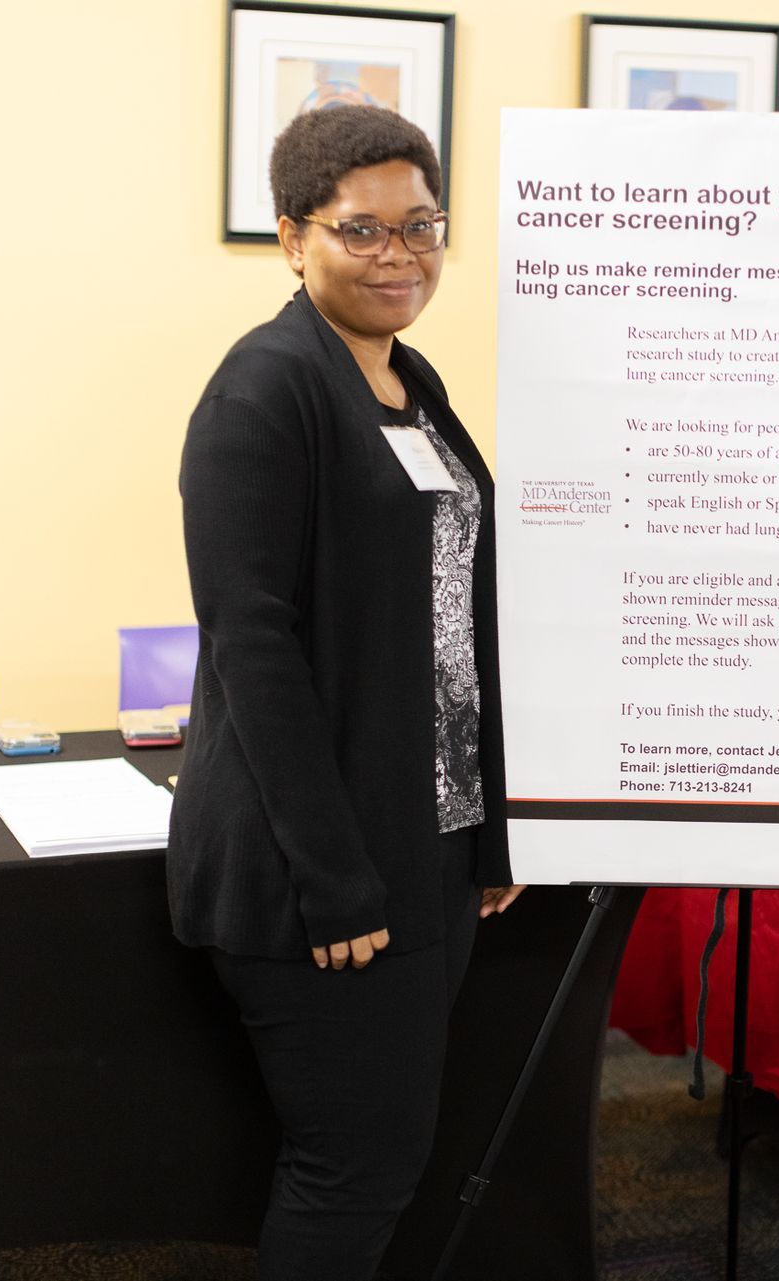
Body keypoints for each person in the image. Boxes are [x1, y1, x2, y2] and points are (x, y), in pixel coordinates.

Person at [168, 105, 524, 1280]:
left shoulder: (411, 383)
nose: (399, 256)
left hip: (426, 842)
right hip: (326, 870)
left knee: (391, 1153)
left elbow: (456, 620)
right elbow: (252, 648)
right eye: (361, 231)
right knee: (353, 1168)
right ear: (291, 237)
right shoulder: (262, 392)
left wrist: (488, 830)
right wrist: (334, 878)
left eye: (421, 227)